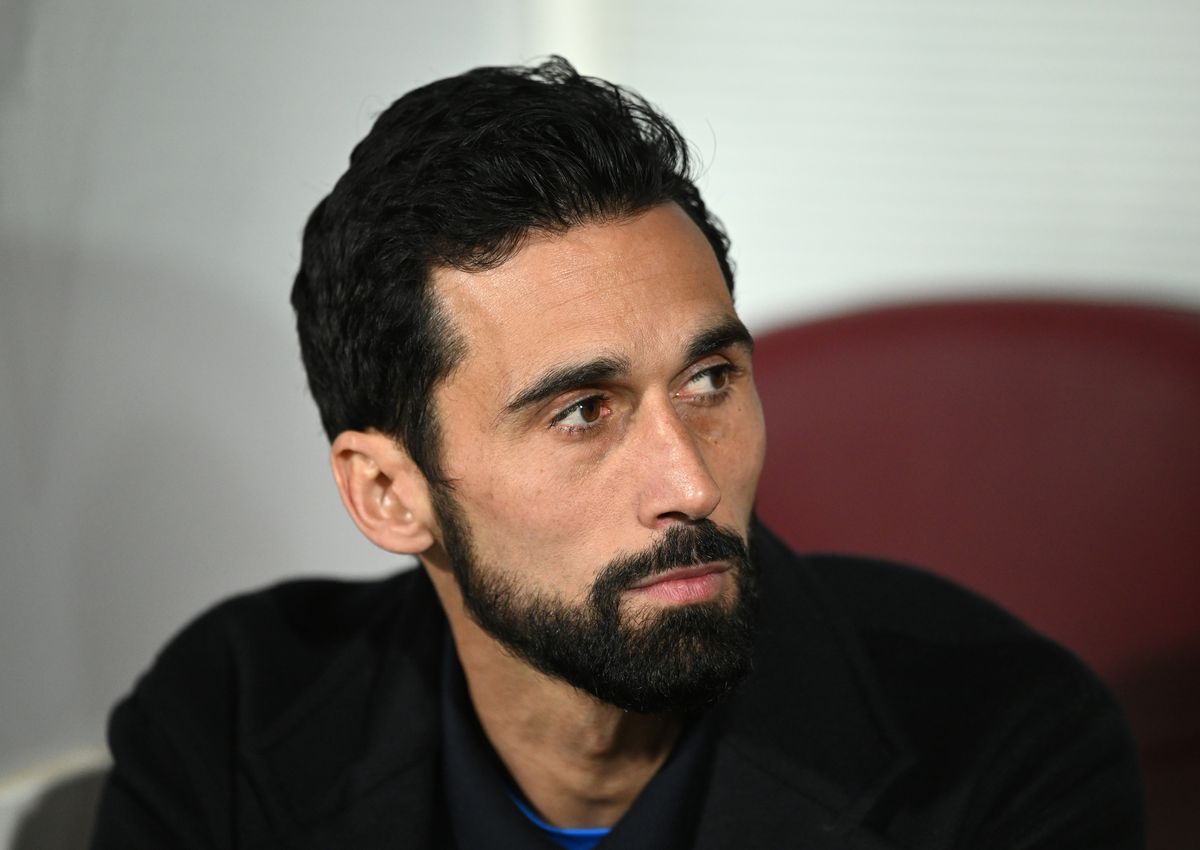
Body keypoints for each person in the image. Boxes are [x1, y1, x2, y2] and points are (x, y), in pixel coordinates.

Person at [89, 57, 1143, 849]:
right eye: (583, 412)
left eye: (710, 381)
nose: (691, 483)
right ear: (389, 493)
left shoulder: (1006, 743)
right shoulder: (228, 726)